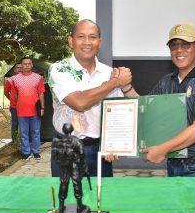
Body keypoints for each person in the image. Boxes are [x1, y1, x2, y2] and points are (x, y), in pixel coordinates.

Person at [119, 22, 195, 177]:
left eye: (186, 44)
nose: (179, 50)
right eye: (174, 45)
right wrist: (126, 87)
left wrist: (162, 149)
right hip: (174, 163)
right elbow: (146, 108)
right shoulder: (167, 81)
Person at [48, 19, 132, 177]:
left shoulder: (109, 73)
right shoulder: (58, 69)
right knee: (68, 200)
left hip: (98, 150)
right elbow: (79, 102)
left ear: (99, 42)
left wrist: (113, 144)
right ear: (71, 41)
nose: (87, 42)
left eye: (92, 37)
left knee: (100, 199)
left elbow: (117, 111)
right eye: (81, 36)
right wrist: (114, 83)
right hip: (66, 148)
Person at [12, 57, 45, 160]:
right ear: (21, 66)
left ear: (32, 65)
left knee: (35, 132)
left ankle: (36, 152)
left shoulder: (38, 77)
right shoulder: (15, 79)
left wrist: (42, 107)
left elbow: (41, 93)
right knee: (23, 132)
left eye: (29, 63)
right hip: (21, 111)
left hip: (35, 110)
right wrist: (19, 104)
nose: (27, 65)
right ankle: (26, 152)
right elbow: (15, 94)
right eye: (24, 64)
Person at [4, 62, 23, 143]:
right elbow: (6, 92)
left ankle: (24, 141)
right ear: (14, 70)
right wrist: (12, 100)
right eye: (17, 67)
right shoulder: (10, 80)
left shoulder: (27, 79)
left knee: (24, 124)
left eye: (20, 67)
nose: (19, 69)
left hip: (26, 107)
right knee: (15, 124)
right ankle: (14, 142)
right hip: (14, 107)